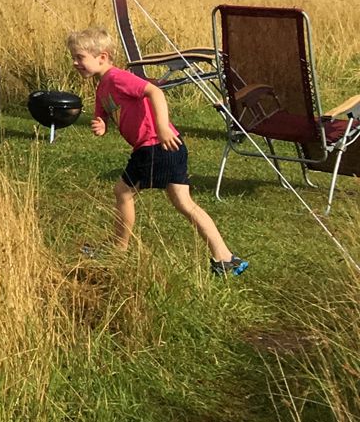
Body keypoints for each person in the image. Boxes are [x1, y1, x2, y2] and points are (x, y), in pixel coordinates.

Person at [66, 25, 248, 276]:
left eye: (80, 57)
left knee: (123, 191)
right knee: (184, 203)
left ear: (102, 57)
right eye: (73, 57)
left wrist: (162, 128)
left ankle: (119, 248)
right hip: (166, 147)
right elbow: (104, 113)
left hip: (156, 145)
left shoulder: (117, 78)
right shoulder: (102, 87)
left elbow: (155, 91)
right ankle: (225, 257)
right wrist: (101, 124)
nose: (75, 62)